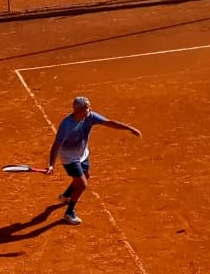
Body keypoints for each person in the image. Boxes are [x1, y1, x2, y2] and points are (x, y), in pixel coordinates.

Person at [48, 96, 141, 225]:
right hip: (69, 157)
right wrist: (51, 165)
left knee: (86, 175)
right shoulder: (66, 125)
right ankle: (69, 213)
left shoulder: (90, 116)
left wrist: (129, 128)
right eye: (87, 108)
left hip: (83, 153)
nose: (90, 109)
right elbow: (56, 145)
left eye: (89, 107)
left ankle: (66, 195)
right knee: (82, 184)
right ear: (78, 111)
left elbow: (109, 122)